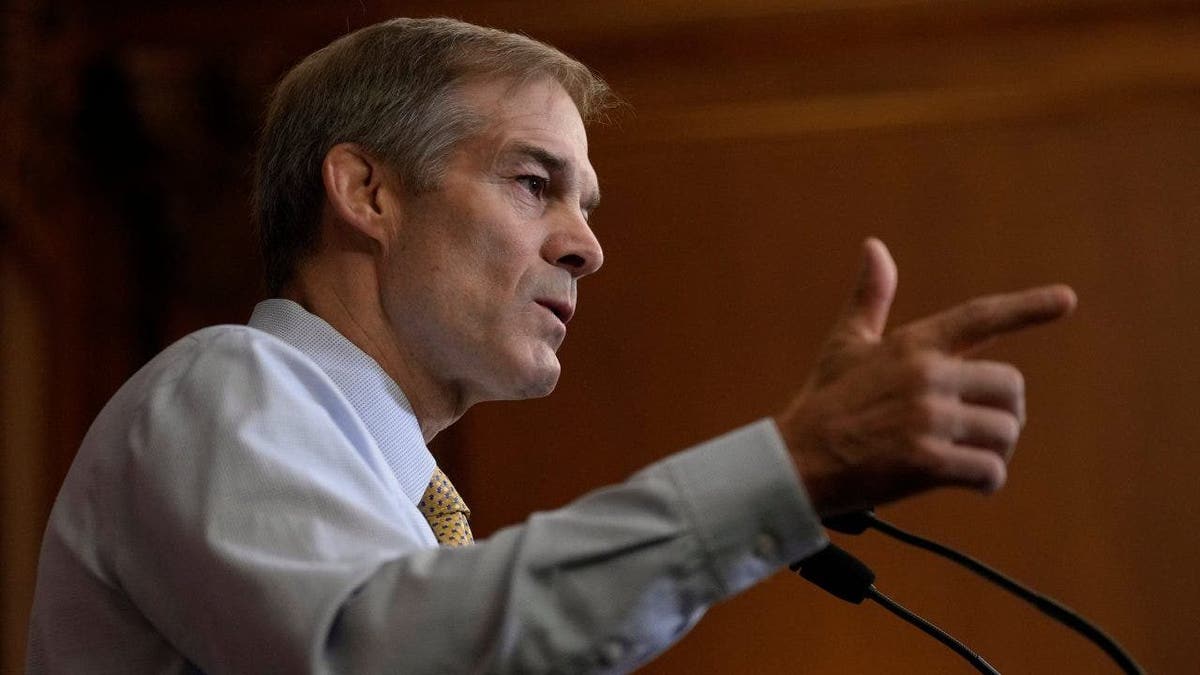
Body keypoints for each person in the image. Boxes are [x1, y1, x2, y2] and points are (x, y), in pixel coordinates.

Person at [27, 17, 1076, 674]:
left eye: (586, 200)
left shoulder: (400, 504)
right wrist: (787, 472)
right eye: (535, 184)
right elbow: (380, 655)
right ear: (368, 191)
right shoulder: (223, 387)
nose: (587, 246)